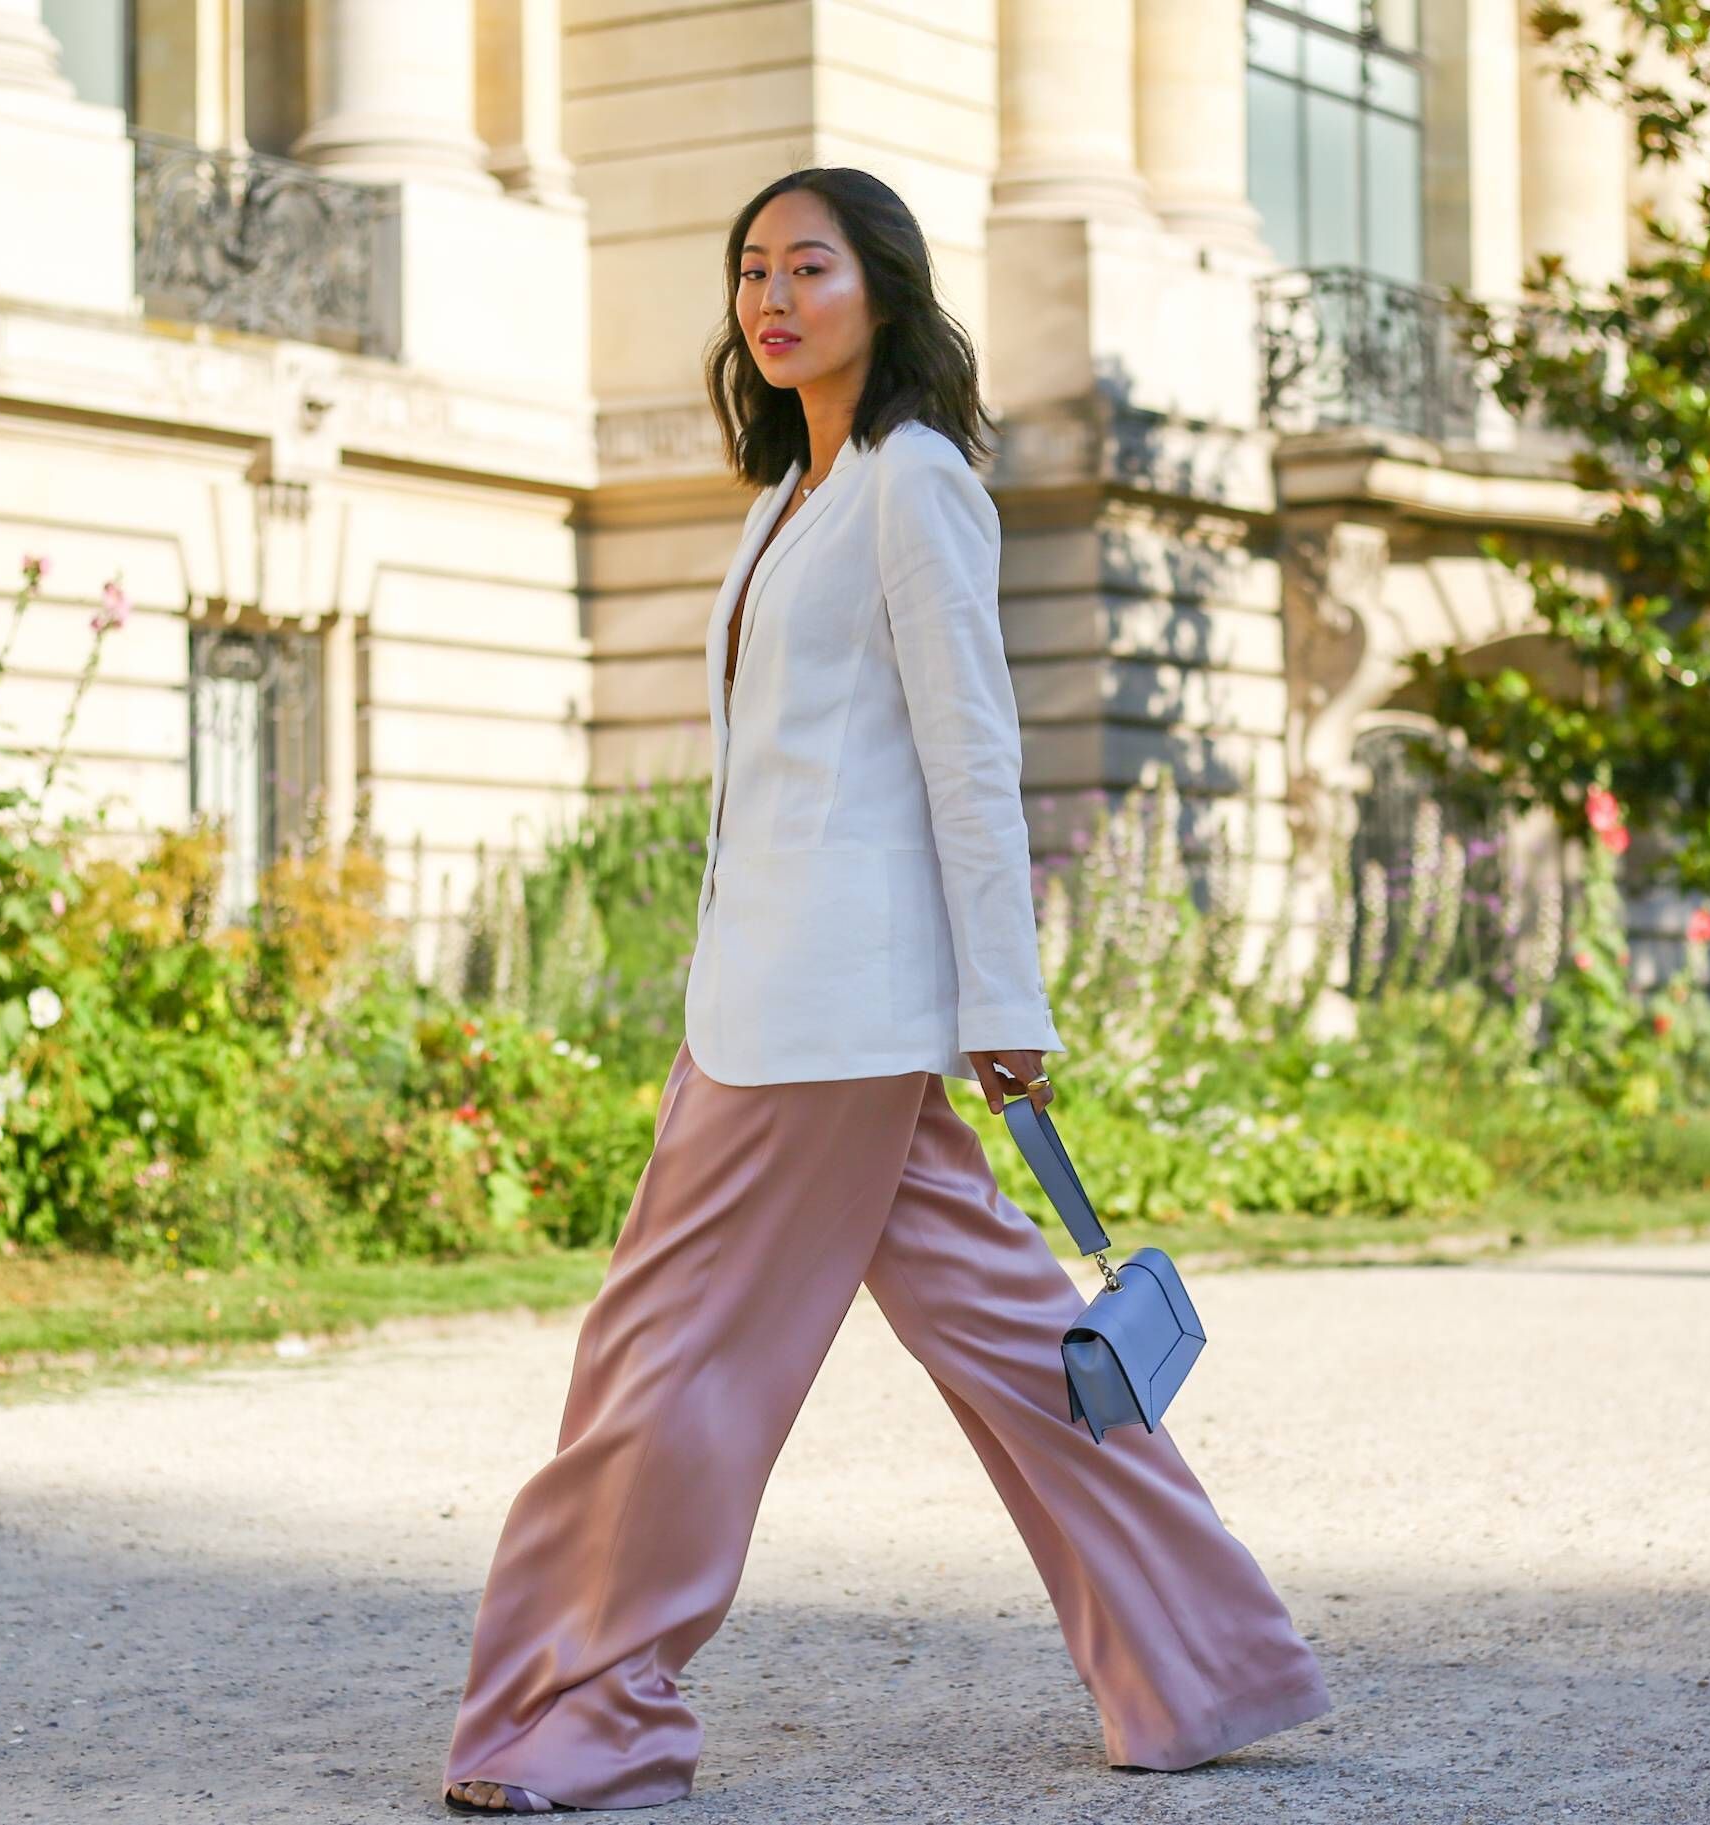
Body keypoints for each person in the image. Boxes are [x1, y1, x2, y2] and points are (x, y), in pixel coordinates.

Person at [436, 168, 1332, 1814]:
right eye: (751, 271)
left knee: (669, 1359)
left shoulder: (916, 482)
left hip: (826, 1022)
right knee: (1017, 1342)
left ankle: (598, 1709)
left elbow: (969, 753)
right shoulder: (798, 490)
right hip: (773, 1002)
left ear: (885, 290)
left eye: (810, 267)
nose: (772, 299)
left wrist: (1005, 999)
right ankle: (1206, 1664)